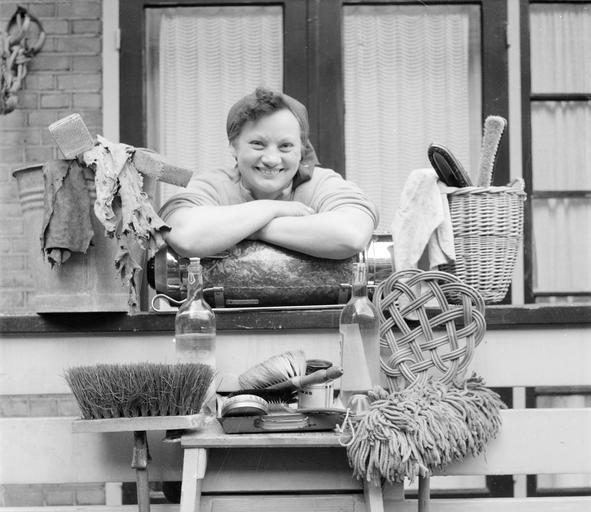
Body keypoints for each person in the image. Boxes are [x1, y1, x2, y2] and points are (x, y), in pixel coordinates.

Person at [160, 87, 379, 260]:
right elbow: (186, 237)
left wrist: (250, 229)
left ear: (302, 150)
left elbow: (351, 236)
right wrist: (273, 208)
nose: (272, 159)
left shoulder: (323, 184)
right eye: (258, 144)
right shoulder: (212, 186)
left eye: (285, 146)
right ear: (233, 146)